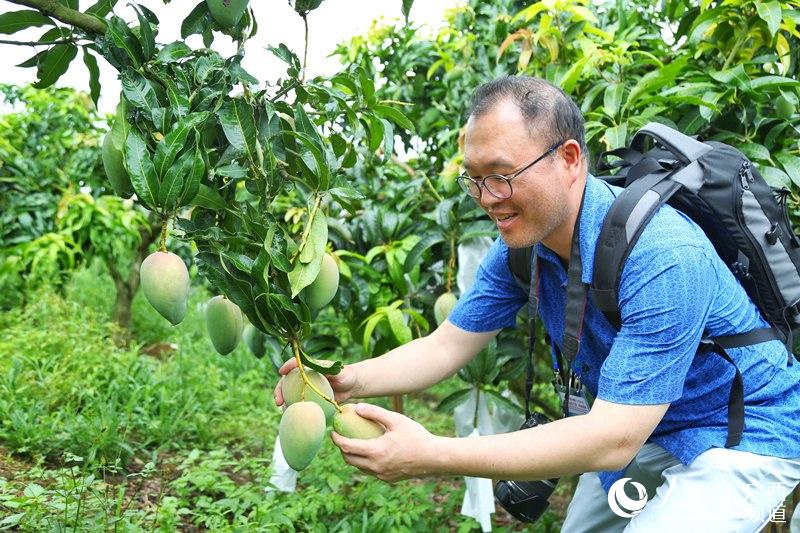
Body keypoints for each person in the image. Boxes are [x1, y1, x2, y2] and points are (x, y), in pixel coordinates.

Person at [274, 76, 800, 531]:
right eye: (474, 179)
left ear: (568, 159)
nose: (487, 198)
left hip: (743, 435)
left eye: (502, 175)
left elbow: (613, 438)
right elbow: (445, 346)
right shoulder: (524, 249)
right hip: (646, 423)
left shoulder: (664, 255)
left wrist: (433, 453)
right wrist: (347, 379)